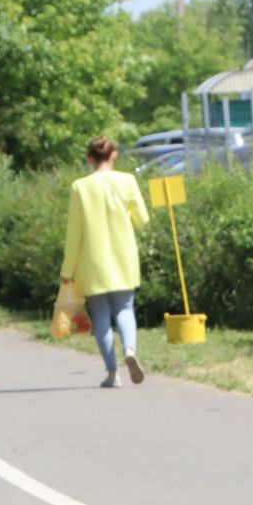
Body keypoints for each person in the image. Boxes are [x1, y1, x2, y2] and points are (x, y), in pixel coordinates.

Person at [61, 137, 151, 388]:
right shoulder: (127, 181)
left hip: (92, 262)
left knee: (100, 315)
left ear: (90, 158)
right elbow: (142, 219)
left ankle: (112, 373)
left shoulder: (80, 187)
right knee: (125, 309)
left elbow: (74, 233)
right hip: (123, 257)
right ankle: (130, 350)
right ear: (114, 156)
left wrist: (67, 270)